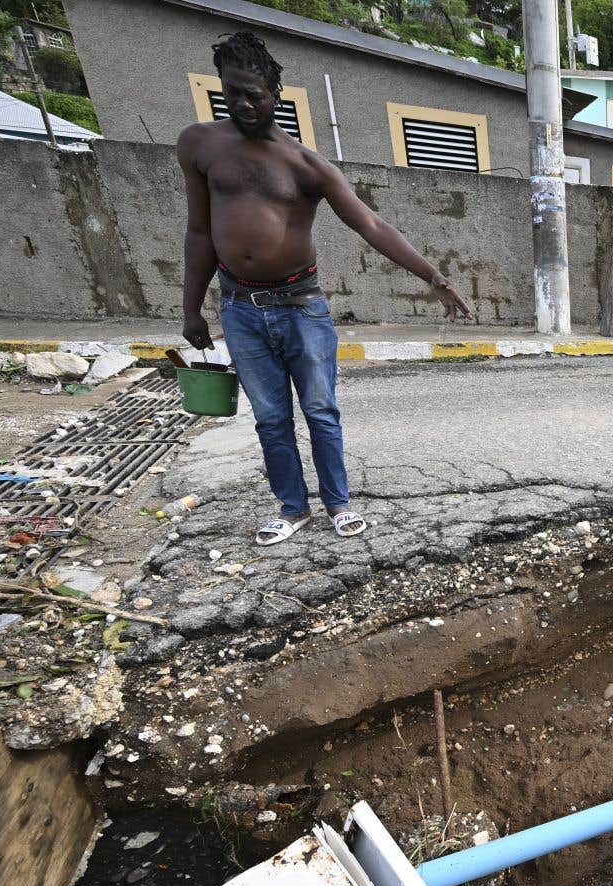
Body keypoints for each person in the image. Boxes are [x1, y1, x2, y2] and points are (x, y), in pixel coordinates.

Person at [178, 32, 468, 546]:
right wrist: (192, 310)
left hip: (300, 306)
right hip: (240, 307)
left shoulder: (307, 167)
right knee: (270, 419)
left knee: (319, 411)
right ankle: (292, 508)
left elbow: (372, 226)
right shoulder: (199, 145)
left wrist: (433, 276)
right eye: (233, 93)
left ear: (276, 96)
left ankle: (337, 504)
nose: (244, 104)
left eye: (255, 95)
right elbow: (199, 231)